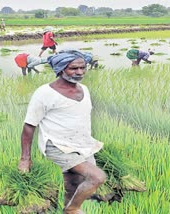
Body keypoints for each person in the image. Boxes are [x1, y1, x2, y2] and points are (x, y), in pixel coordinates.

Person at [17, 50, 107, 214]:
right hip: (58, 145)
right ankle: (71, 209)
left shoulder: (84, 89)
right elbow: (29, 126)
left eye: (82, 67)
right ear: (60, 69)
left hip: (82, 143)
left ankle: (66, 208)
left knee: (74, 183)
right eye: (73, 68)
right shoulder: (44, 93)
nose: (79, 72)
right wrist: (25, 159)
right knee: (97, 177)